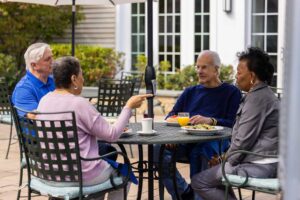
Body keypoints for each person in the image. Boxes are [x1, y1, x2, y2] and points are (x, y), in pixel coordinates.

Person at [36, 56, 152, 199]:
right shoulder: (79, 104)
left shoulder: (44, 101)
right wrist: (128, 107)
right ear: (73, 79)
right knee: (124, 175)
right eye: (81, 75)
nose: (83, 79)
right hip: (81, 174)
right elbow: (112, 134)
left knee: (102, 174)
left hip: (50, 172)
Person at [191, 47, 279, 200]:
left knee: (199, 181)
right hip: (261, 160)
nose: (236, 77)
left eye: (239, 73)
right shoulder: (261, 94)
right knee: (217, 177)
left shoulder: (257, 100)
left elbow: (242, 141)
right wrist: (222, 160)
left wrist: (223, 160)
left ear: (252, 76)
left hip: (261, 165)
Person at [154, 50, 242, 199]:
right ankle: (184, 193)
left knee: (201, 150)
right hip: (184, 141)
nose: (199, 71)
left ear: (216, 69)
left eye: (204, 67)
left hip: (216, 142)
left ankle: (198, 195)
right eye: (198, 67)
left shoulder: (231, 92)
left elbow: (234, 123)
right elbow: (171, 116)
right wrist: (172, 138)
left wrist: (211, 120)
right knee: (157, 149)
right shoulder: (190, 92)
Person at [12, 42, 55, 117]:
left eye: (52, 57)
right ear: (34, 65)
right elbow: (38, 119)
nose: (53, 61)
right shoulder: (23, 89)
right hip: (41, 128)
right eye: (48, 59)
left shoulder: (55, 80)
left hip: (60, 126)